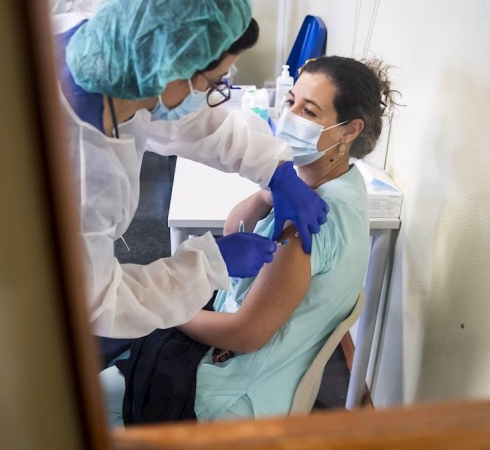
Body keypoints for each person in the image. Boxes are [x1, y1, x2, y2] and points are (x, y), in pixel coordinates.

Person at [101, 56, 400, 423]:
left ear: (349, 130)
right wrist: (266, 193)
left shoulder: (307, 225)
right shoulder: (341, 184)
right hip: (252, 363)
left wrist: (169, 307)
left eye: (309, 110)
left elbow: (244, 333)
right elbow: (234, 228)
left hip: (232, 391)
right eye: (290, 101)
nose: (290, 117)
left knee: (86, 399)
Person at [54, 0, 330, 338]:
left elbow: (193, 123)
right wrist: (205, 265)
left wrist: (276, 169)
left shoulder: (112, 53)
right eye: (213, 82)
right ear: (169, 68)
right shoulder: (81, 169)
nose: (212, 95)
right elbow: (96, 302)